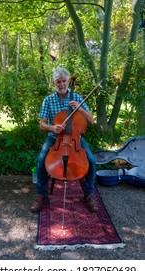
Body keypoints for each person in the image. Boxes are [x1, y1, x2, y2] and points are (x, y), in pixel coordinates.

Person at [30, 67, 98, 213]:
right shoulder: (48, 100)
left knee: (91, 160)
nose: (62, 84)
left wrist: (79, 108)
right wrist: (52, 128)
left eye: (64, 81)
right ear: (54, 83)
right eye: (58, 82)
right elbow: (42, 124)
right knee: (41, 159)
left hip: (75, 139)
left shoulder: (77, 98)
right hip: (55, 138)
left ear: (68, 81)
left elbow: (91, 120)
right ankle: (41, 194)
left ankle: (88, 195)